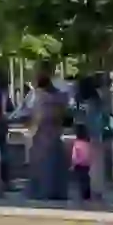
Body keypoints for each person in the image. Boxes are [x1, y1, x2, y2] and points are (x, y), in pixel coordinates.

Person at [26, 71, 69, 200]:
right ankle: (58, 192)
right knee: (56, 166)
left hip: (43, 137)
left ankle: (43, 192)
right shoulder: (60, 98)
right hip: (55, 135)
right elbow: (63, 117)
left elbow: (38, 118)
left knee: (43, 166)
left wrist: (31, 131)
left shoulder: (41, 98)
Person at [74, 75, 109, 201]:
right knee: (96, 165)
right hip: (94, 135)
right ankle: (97, 190)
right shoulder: (96, 100)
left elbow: (77, 118)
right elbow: (102, 116)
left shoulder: (78, 99)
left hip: (81, 136)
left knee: (81, 165)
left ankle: (85, 190)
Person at [70, 124, 93, 202]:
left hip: (79, 164)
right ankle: (87, 194)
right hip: (87, 164)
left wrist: (73, 164)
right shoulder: (87, 143)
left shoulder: (77, 143)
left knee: (81, 180)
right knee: (86, 178)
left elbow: (75, 156)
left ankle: (83, 195)